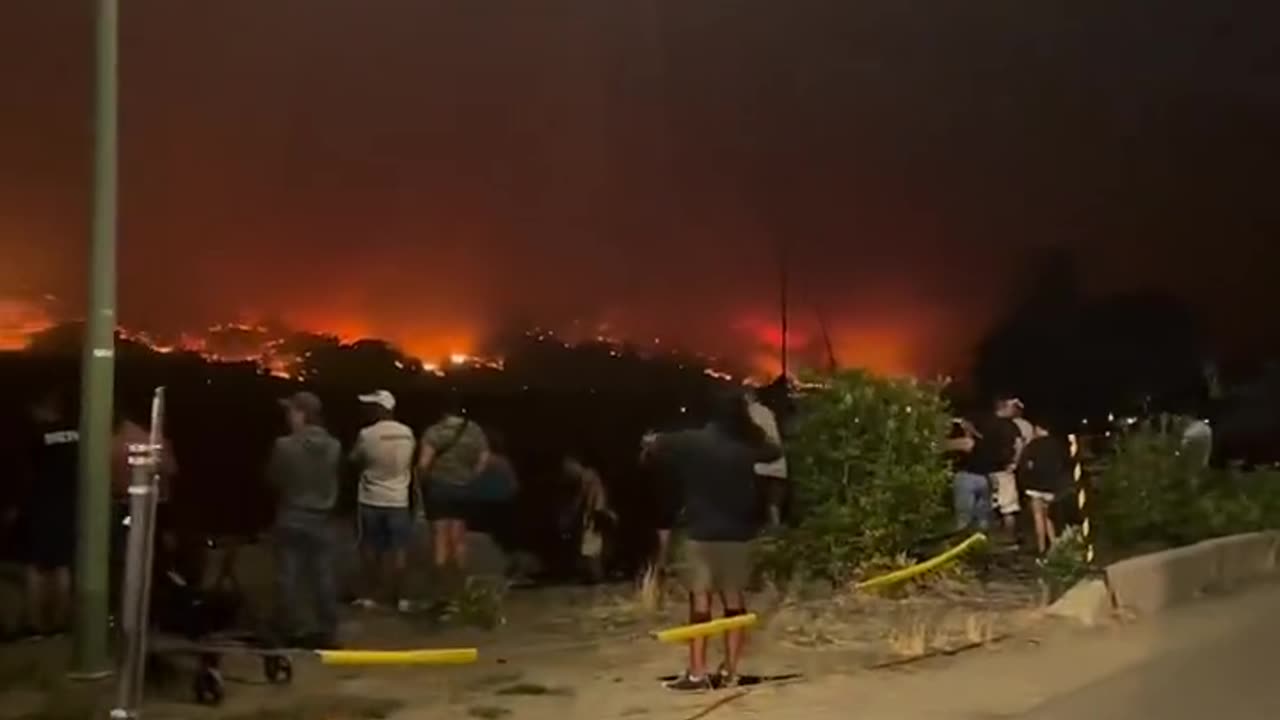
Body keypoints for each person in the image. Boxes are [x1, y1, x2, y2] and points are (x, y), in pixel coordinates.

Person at [646, 390, 781, 691]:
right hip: (738, 534)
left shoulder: (693, 441)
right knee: (735, 606)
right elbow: (774, 452)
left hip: (699, 533)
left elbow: (654, 445)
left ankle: (697, 673)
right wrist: (753, 428)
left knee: (700, 604)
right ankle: (731, 672)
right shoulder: (747, 446)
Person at [267, 391, 341, 648]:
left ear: (301, 414)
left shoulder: (284, 445)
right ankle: (327, 629)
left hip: (292, 514)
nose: (288, 417)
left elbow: (275, 478)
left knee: (288, 575)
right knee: (324, 576)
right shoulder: (334, 446)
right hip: (322, 518)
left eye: (291, 412)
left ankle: (288, 628)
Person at [349, 390, 416, 612]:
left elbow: (355, 459)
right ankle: (402, 597)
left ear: (382, 408)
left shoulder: (367, 434)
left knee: (370, 547)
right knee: (399, 550)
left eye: (371, 406)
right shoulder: (407, 433)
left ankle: (371, 596)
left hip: (371, 498)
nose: (366, 410)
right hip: (399, 499)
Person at [19, 390, 79, 638]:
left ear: (43, 409)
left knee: (37, 567)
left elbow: (27, 472)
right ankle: (61, 622)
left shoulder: (37, 435)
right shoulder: (77, 433)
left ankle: (35, 624)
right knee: (63, 565)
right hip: (69, 504)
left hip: (43, 504)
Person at [416, 403, 488, 592]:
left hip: (439, 487)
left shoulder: (434, 431)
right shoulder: (474, 430)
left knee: (440, 539)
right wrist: (471, 477)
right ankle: (461, 588)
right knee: (459, 538)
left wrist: (422, 483)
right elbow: (484, 459)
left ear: (443, 412)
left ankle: (441, 588)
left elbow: (424, 464)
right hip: (463, 488)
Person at [1017, 421, 1070, 555]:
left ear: (1038, 428)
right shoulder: (1057, 445)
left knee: (1038, 517)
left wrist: (1024, 482)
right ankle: (1054, 546)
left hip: (1035, 486)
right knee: (1049, 517)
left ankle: (1041, 547)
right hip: (1052, 487)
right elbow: (1065, 464)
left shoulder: (1032, 445)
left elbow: (1024, 465)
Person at [563, 455, 616, 584]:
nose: (567, 472)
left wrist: (580, 514)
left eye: (568, 468)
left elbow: (587, 498)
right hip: (596, 514)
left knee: (591, 550)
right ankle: (595, 576)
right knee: (593, 549)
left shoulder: (588, 476)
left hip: (595, 515)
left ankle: (597, 578)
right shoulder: (589, 476)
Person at [746, 390, 788, 528]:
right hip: (779, 467)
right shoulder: (768, 412)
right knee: (773, 504)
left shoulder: (749, 413)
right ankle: (776, 536)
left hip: (761, 467)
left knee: (758, 505)